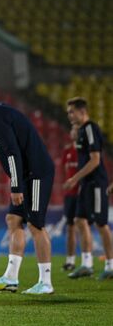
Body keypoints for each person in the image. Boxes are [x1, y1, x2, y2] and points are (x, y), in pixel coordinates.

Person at [0, 78, 55, 295]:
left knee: (35, 225)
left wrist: (16, 186)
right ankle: (11, 278)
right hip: (26, 175)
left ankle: (46, 282)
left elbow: (13, 153)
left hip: (35, 174)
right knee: (13, 220)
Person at [64, 97, 113, 280]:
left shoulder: (91, 128)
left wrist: (74, 178)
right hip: (86, 184)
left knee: (101, 224)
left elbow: (95, 160)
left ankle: (110, 265)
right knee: (79, 220)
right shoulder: (82, 130)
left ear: (82, 111)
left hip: (96, 183)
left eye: (71, 111)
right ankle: (86, 264)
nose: (69, 115)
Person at [61, 125, 79, 271]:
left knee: (85, 225)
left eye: (77, 130)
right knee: (71, 227)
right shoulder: (67, 150)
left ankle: (88, 261)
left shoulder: (85, 151)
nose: (74, 132)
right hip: (69, 195)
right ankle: (70, 260)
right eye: (72, 129)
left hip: (82, 193)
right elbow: (63, 171)